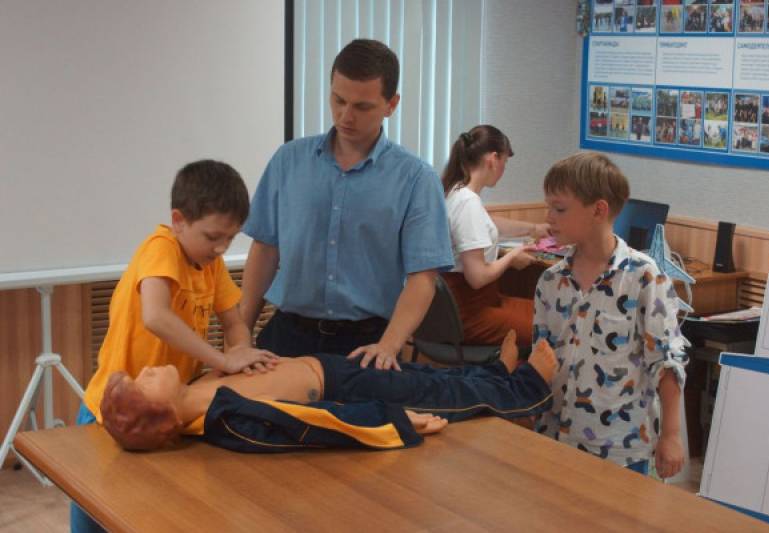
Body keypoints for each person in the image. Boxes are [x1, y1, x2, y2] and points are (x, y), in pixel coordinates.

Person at [73, 160, 275, 532]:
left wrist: (240, 351)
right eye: (212, 236)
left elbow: (234, 323)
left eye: (230, 239)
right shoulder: (161, 248)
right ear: (178, 220)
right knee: (96, 512)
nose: (221, 248)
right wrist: (221, 359)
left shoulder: (210, 264)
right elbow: (156, 316)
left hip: (162, 414)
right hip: (109, 410)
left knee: (148, 511)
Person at [240, 39, 452, 370]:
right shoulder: (288, 161)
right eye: (338, 100)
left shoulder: (415, 179)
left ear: (391, 104)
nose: (346, 116)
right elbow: (265, 250)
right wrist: (239, 336)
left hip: (367, 344)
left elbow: (423, 276)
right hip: (287, 336)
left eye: (362, 107)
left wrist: (389, 345)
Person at [100, 330, 557, 452]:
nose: (148, 370)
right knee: (433, 394)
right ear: (163, 414)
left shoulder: (199, 387)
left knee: (427, 378)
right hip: (342, 390)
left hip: (329, 366)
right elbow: (311, 424)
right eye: (146, 382)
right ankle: (527, 390)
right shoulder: (222, 419)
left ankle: (496, 373)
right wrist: (393, 422)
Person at [532, 152, 688, 479]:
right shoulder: (550, 281)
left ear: (598, 210)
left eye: (559, 209)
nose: (549, 218)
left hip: (620, 449)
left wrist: (671, 435)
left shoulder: (644, 277)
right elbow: (540, 359)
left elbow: (666, 361)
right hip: (554, 438)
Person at [441, 125, 549, 347]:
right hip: (470, 314)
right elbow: (478, 277)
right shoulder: (468, 203)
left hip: (461, 308)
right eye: (505, 162)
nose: (504, 169)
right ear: (493, 159)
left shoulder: (457, 193)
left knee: (547, 312)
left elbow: (487, 223)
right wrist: (512, 257)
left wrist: (533, 228)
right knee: (550, 326)